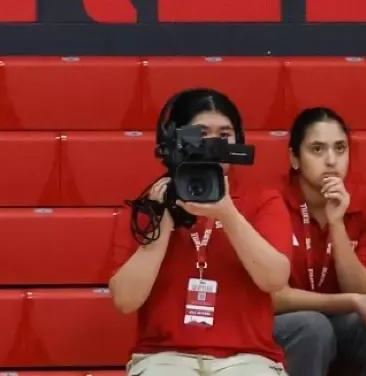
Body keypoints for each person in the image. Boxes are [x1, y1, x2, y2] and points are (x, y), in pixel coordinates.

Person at [107, 89, 295, 376]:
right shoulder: (149, 206)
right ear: (175, 140)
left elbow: (274, 279)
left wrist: (228, 214)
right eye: (202, 133)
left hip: (247, 357)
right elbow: (125, 300)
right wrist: (164, 219)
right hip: (164, 356)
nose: (213, 145)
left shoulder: (263, 200)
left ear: (238, 141)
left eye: (224, 135)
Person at [271, 108, 366, 376]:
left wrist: (337, 223)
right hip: (286, 323)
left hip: (341, 323)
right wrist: (350, 302)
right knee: (313, 327)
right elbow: (274, 298)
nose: (332, 160)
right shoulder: (272, 202)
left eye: (340, 148)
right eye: (318, 149)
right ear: (294, 158)